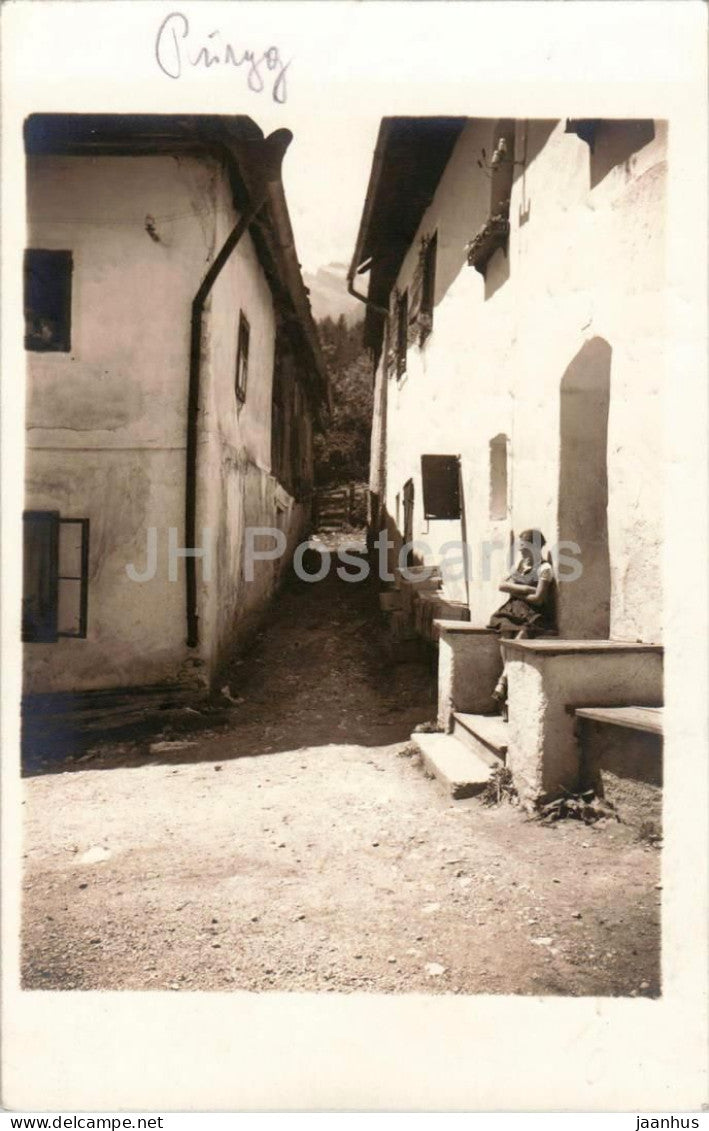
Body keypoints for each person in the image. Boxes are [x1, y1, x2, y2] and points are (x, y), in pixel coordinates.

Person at [487, 529, 555, 716]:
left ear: (535, 547)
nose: (521, 551)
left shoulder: (544, 568)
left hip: (533, 613)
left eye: (524, 547)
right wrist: (525, 588)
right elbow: (502, 585)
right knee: (505, 640)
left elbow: (540, 599)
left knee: (517, 643)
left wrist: (515, 590)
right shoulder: (520, 564)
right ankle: (505, 685)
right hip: (512, 610)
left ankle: (503, 683)